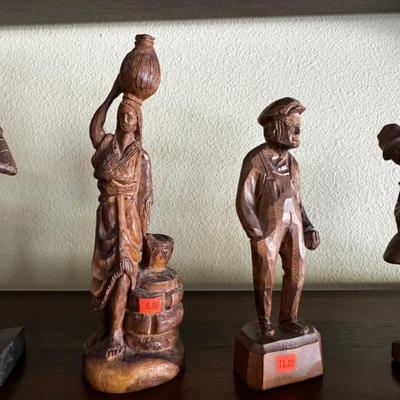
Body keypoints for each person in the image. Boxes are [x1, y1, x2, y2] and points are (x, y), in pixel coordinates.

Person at [236, 97, 320, 337]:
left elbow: (298, 201)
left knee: (297, 271)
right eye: (292, 125)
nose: (298, 131)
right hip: (267, 230)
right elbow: (244, 201)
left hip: (294, 226)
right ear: (274, 128)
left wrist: (308, 226)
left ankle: (289, 319)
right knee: (265, 274)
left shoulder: (293, 164)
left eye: (299, 126)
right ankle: (265, 321)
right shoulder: (256, 160)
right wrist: (256, 235)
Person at [89, 78, 153, 359]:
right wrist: (113, 93)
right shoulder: (105, 144)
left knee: (124, 273)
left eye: (131, 116)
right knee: (104, 274)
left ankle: (116, 335)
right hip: (106, 219)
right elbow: (94, 127)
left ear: (138, 122)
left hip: (129, 222)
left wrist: (143, 234)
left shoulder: (141, 157)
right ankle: (105, 329)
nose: (125, 119)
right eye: (122, 115)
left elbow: (146, 198)